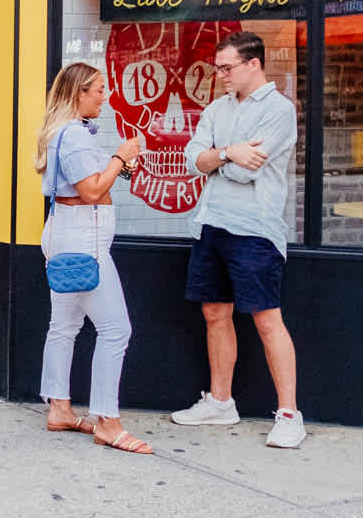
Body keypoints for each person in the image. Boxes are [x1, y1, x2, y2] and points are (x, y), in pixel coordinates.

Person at [175, 30, 305, 448]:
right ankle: (220, 402)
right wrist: (229, 152)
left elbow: (249, 170)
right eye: (218, 68)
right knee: (214, 313)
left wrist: (219, 157)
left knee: (267, 319)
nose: (221, 75)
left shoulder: (279, 110)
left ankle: (289, 414)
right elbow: (192, 160)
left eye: (227, 67)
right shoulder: (216, 108)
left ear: (253, 64)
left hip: (255, 228)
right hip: (211, 223)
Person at [36, 62, 150, 455]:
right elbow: (90, 190)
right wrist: (120, 155)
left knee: (64, 326)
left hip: (64, 233)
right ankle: (107, 421)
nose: (105, 95)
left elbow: (91, 182)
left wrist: (121, 165)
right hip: (83, 239)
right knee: (116, 330)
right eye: (98, 89)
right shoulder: (74, 136)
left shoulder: (66, 132)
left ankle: (60, 408)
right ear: (78, 93)